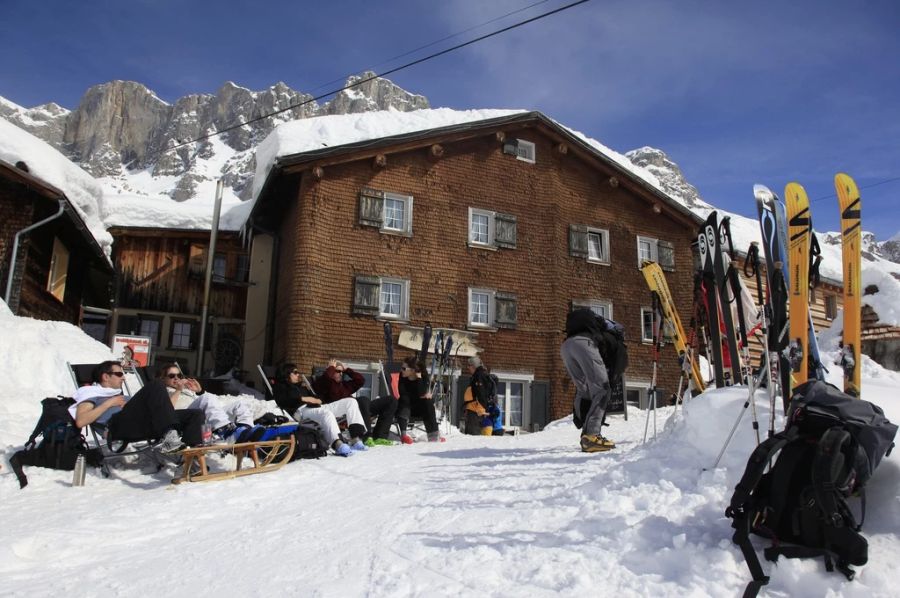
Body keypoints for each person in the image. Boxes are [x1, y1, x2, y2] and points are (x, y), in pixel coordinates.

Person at [71, 360, 203, 453]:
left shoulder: (120, 395)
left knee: (195, 414)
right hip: (116, 427)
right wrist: (109, 403)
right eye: (119, 374)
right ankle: (169, 435)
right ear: (105, 376)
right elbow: (81, 421)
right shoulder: (89, 393)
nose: (124, 378)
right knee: (156, 385)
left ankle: (192, 458)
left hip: (140, 424)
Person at [272, 362, 368, 457]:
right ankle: (338, 444)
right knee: (326, 413)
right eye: (295, 372)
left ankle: (356, 438)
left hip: (316, 406)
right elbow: (282, 400)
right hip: (302, 410)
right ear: (287, 373)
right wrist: (303, 398)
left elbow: (316, 398)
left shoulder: (300, 386)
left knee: (351, 402)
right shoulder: (280, 386)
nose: (298, 375)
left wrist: (316, 399)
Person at [157, 363, 263, 444]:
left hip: (204, 415)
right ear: (163, 378)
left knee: (240, 404)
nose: (176, 378)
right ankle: (225, 433)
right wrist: (179, 390)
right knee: (207, 398)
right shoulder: (162, 390)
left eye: (178, 375)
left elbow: (203, 403)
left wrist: (198, 391)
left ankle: (246, 433)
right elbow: (168, 410)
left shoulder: (185, 389)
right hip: (186, 419)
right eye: (171, 376)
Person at [560, 308, 616, 453]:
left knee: (584, 389)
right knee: (602, 389)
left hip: (567, 346)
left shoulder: (574, 321)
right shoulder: (602, 323)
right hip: (585, 344)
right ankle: (591, 435)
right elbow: (613, 331)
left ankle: (582, 424)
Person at [312, 359, 396, 446]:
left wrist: (347, 370)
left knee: (391, 400)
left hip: (362, 408)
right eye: (338, 371)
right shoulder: (324, 384)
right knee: (362, 399)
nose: (341, 373)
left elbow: (360, 380)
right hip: (344, 410)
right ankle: (366, 437)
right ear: (330, 370)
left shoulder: (345, 385)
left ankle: (380, 437)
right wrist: (331, 368)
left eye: (342, 372)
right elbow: (325, 379)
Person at [397, 356, 443, 443]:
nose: (401, 370)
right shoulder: (402, 376)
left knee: (428, 402)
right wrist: (421, 396)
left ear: (413, 370)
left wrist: (419, 379)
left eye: (404, 368)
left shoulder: (423, 377)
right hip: (405, 407)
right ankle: (404, 435)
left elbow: (421, 393)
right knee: (404, 400)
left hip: (418, 409)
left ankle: (433, 436)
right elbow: (402, 393)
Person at [463, 356, 495, 436]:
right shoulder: (478, 375)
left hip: (475, 412)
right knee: (471, 436)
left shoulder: (479, 376)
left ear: (473, 366)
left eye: (469, 365)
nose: (468, 368)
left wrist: (479, 409)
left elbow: (481, 394)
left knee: (472, 437)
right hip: (474, 410)